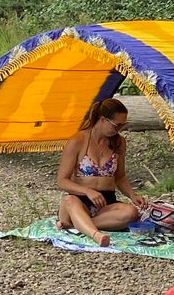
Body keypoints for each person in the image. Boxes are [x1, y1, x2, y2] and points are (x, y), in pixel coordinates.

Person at [56, 97, 147, 244]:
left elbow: (120, 177)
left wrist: (132, 195)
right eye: (116, 125)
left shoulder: (119, 142)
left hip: (105, 204)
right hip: (79, 200)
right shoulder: (78, 140)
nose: (119, 130)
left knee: (131, 212)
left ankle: (77, 224)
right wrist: (87, 191)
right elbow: (62, 180)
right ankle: (95, 234)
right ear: (103, 119)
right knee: (69, 200)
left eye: (123, 126)